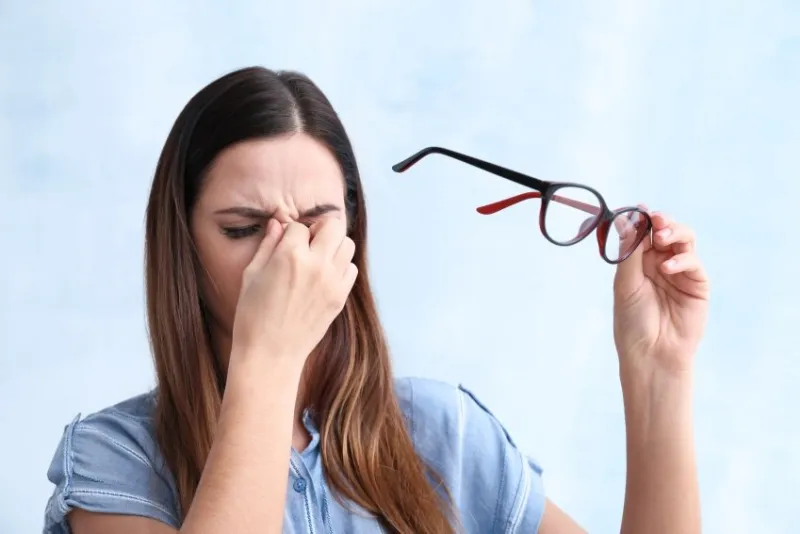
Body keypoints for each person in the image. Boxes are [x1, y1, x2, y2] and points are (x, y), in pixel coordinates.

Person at [42, 66, 709, 534]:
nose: (288, 257)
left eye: (316, 223)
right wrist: (269, 356)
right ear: (181, 243)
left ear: (353, 235)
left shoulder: (443, 437)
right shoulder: (114, 457)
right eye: (243, 229)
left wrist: (658, 370)